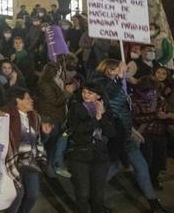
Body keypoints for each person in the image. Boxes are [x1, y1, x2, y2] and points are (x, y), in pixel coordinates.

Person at [98, 59, 166, 212]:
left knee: (141, 166)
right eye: (119, 68)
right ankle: (94, 198)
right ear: (109, 70)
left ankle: (153, 203)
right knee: (114, 166)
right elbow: (114, 112)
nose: (124, 70)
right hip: (116, 136)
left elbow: (123, 112)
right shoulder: (105, 86)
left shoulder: (118, 86)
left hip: (127, 135)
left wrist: (133, 131)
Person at [65, 81, 115, 213]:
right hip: (79, 154)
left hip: (100, 155)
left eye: (90, 93)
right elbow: (76, 130)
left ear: (98, 96)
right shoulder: (76, 107)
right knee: (82, 194)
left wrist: (102, 116)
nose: (85, 95)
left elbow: (110, 132)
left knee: (97, 195)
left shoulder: (105, 109)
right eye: (84, 92)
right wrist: (96, 119)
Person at [1, 89, 46, 213]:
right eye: (27, 98)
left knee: (32, 195)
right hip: (11, 163)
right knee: (17, 196)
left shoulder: (35, 117)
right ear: (18, 100)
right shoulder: (5, 116)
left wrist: (45, 134)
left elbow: (38, 140)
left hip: (29, 162)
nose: (31, 101)